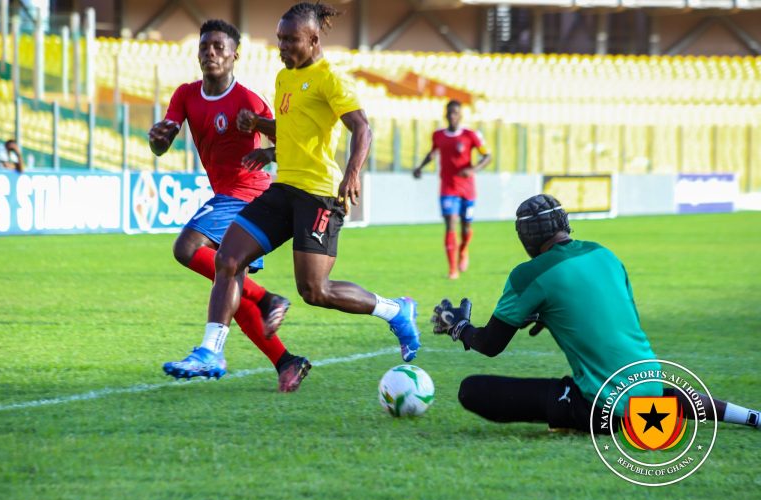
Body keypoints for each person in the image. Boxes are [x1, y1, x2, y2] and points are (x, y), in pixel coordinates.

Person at [200, 2, 421, 365]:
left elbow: (362, 127)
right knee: (227, 256)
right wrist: (261, 130)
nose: (282, 47)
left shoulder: (330, 79)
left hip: (319, 195)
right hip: (284, 187)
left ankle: (395, 311)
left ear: (314, 39)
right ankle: (210, 352)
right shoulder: (284, 77)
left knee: (314, 290)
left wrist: (352, 173)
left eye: (290, 40)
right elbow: (293, 132)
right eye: (279, 39)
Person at [431, 193, 761, 432]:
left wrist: (459, 326)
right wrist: (548, 315)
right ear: (565, 224)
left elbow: (490, 344)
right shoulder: (604, 254)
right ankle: (752, 416)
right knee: (659, 396)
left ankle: (577, 417)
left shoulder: (528, 274)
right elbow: (606, 313)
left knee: (472, 390)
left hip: (604, 408)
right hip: (650, 386)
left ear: (525, 239)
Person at [148, 19, 309, 392]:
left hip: (248, 193)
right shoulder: (186, 95)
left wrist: (267, 148)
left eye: (220, 47)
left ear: (235, 54)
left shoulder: (249, 101)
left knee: (186, 247)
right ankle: (287, 361)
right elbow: (162, 142)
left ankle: (263, 302)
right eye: (205, 46)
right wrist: (158, 139)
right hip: (225, 194)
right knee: (231, 284)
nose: (211, 53)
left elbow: (291, 142)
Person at [413, 101, 491, 279]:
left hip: (468, 189)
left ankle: (463, 249)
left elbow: (487, 156)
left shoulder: (471, 135)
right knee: (450, 223)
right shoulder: (438, 135)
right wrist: (420, 167)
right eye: (450, 113)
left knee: (466, 226)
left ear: (460, 115)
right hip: (448, 187)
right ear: (446, 115)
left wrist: (473, 170)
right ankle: (452, 268)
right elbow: (433, 153)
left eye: (456, 113)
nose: (452, 116)